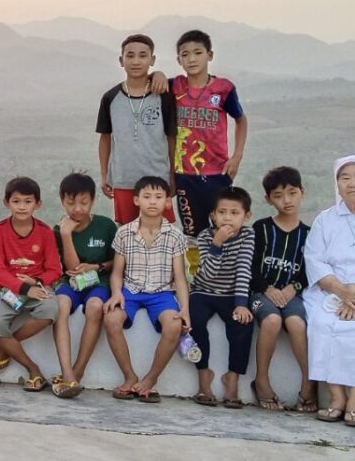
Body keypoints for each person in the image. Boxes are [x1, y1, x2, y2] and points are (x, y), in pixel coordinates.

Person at [102, 176, 191, 404]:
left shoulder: (175, 235)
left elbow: (180, 278)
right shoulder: (124, 233)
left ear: (167, 202)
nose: (153, 201)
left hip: (162, 293)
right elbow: (117, 273)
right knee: (111, 319)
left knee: (174, 325)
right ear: (136, 200)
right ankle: (129, 376)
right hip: (130, 291)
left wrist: (185, 309)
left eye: (159, 197)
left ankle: (151, 379)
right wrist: (116, 293)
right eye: (147, 196)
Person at [171, 30, 248, 274]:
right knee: (192, 232)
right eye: (185, 54)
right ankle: (196, 276)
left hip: (217, 173)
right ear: (178, 60)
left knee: (223, 226)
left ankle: (225, 275)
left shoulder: (223, 89)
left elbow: (241, 120)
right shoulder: (174, 86)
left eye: (198, 52)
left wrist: (237, 156)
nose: (192, 59)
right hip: (185, 174)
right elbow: (152, 81)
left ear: (210, 55)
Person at [0, 177, 61, 393]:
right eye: (16, 201)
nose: (21, 207)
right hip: (8, 289)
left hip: (37, 285)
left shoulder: (45, 232)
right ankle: (33, 370)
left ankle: (6, 348)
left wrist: (37, 283)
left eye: (28, 202)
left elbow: (54, 269)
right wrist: (24, 288)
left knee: (50, 310)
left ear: (37, 204)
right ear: (6, 203)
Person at [249, 166, 314, 412]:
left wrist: (293, 288)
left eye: (292, 193)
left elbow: (309, 271)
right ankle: (262, 381)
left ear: (302, 192)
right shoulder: (261, 228)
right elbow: (251, 267)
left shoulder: (309, 234)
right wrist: (267, 288)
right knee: (272, 321)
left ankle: (309, 383)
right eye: (278, 195)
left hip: (292, 294)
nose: (286, 200)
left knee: (297, 323)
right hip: (261, 294)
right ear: (268, 199)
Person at [186, 187, 256, 408]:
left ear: (246, 216)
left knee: (243, 324)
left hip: (231, 293)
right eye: (222, 212)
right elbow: (207, 274)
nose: (227, 218)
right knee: (195, 320)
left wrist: (241, 304)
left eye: (234, 213)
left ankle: (232, 379)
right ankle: (203, 375)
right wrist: (216, 244)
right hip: (203, 290)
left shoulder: (247, 236)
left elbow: (244, 270)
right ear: (213, 215)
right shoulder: (205, 236)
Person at [96, 34, 177, 224]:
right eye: (130, 55)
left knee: (161, 232)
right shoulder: (110, 98)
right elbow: (105, 138)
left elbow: (171, 138)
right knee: (127, 232)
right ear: (121, 60)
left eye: (142, 55)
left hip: (157, 180)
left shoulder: (163, 96)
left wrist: (172, 175)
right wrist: (104, 175)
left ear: (152, 60)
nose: (136, 61)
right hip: (123, 178)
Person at [50, 173, 117, 399]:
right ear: (62, 201)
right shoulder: (59, 230)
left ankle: (77, 371)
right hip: (71, 282)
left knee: (95, 307)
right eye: (71, 203)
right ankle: (67, 372)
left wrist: (96, 266)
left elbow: (117, 262)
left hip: (99, 281)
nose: (77, 209)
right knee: (60, 306)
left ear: (93, 200)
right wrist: (66, 235)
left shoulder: (106, 226)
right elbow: (71, 267)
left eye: (84, 202)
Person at [303, 155, 355, 424]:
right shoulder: (325, 220)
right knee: (322, 323)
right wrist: (342, 292)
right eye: (345, 178)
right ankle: (337, 398)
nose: (351, 183)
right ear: (337, 184)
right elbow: (314, 260)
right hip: (330, 291)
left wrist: (352, 296)